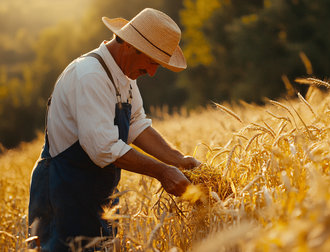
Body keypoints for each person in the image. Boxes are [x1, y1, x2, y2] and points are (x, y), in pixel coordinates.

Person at [28, 8, 201, 251]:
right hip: (63, 193)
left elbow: (136, 125)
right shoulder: (90, 75)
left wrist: (178, 160)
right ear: (129, 45)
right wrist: (163, 172)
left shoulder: (125, 76)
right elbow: (103, 148)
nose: (152, 72)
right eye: (152, 62)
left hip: (97, 195)